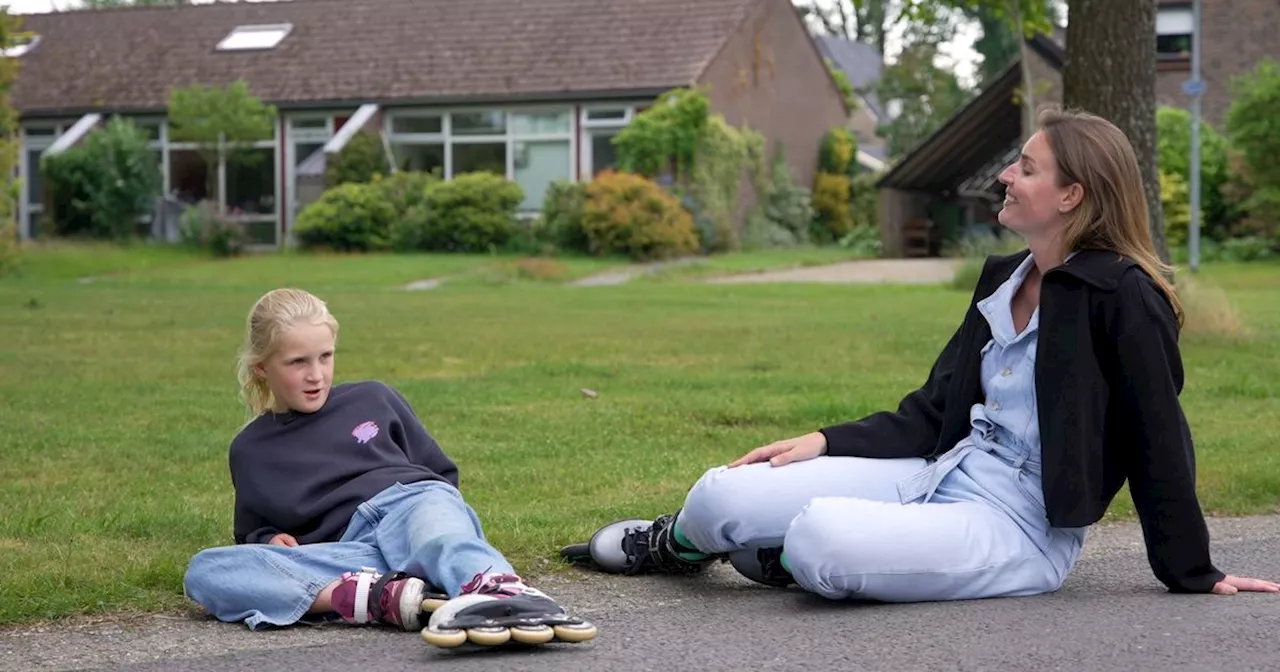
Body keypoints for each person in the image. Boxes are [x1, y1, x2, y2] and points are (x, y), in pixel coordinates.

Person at [562, 108, 1280, 602]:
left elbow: (1157, 434)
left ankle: (786, 557)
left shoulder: (1124, 296)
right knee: (725, 489)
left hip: (1020, 527)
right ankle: (682, 547)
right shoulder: (1006, 277)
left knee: (822, 537)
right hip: (942, 468)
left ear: (1071, 194)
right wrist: (823, 441)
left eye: (1025, 167)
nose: (1005, 174)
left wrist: (1192, 569)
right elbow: (937, 408)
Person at [182, 288, 597, 649]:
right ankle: (374, 597)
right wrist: (271, 539)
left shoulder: (373, 398)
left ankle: (496, 589)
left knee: (436, 530)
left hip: (410, 506)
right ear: (262, 368)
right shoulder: (250, 449)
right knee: (207, 570)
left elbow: (440, 478)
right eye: (297, 363)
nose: (316, 375)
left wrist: (426, 524)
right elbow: (251, 532)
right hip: (351, 553)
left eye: (325, 357)